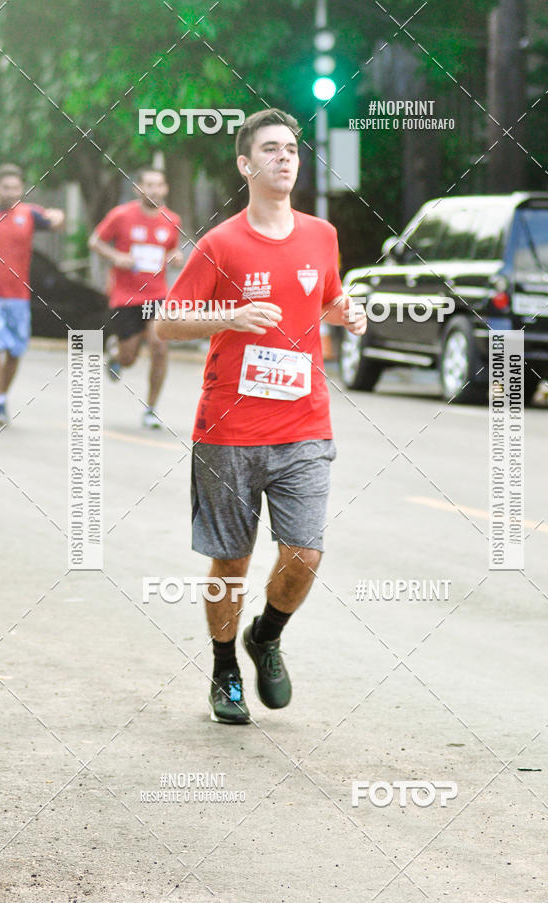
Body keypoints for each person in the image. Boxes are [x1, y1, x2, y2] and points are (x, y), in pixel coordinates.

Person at [156, 108, 367, 724]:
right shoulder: (221, 243)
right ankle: (225, 668)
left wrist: (347, 314)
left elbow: (323, 301)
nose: (285, 157)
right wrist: (228, 317)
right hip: (230, 428)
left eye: (293, 148)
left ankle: (265, 636)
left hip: (305, 423)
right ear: (246, 164)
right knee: (232, 561)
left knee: (305, 554)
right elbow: (168, 322)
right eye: (271, 149)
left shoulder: (321, 235)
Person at [89, 167, 183, 428]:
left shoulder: (172, 219)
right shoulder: (121, 215)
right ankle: (118, 356)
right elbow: (95, 241)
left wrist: (176, 258)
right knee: (130, 358)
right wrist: (116, 257)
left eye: (159, 185)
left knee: (159, 347)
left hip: (157, 295)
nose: (154, 190)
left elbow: (172, 250)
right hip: (126, 296)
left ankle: (151, 409)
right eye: (148, 185)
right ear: (137, 188)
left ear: (165, 189)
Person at [0, 163, 65, 427]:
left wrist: (58, 217)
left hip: (18, 296)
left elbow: (55, 222)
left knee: (14, 350)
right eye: (6, 187)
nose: (11, 192)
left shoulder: (29, 214)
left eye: (16, 187)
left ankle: (1, 398)